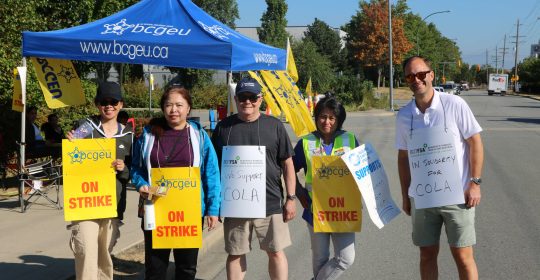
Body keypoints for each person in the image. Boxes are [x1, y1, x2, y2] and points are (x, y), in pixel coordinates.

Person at [396, 56, 484, 280]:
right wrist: (406, 195)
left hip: (457, 196)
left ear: (431, 74)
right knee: (426, 254)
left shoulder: (455, 104)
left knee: (463, 255)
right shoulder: (405, 115)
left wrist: (475, 183)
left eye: (421, 74)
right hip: (423, 198)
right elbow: (403, 157)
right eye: (410, 76)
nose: (416, 79)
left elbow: (475, 142)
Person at [130, 84, 221, 280]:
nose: (174, 110)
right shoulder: (147, 135)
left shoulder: (199, 137)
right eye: (169, 105)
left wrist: (213, 209)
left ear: (188, 108)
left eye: (179, 105)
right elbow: (135, 168)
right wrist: (140, 184)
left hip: (189, 212)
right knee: (155, 269)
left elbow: (211, 174)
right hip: (155, 209)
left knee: (186, 269)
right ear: (163, 108)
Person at [211, 77, 297, 280]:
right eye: (242, 97)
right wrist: (214, 205)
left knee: (275, 251)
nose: (247, 102)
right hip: (235, 205)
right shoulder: (223, 128)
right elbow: (213, 169)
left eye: (252, 97)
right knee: (235, 253)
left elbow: (288, 164)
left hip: (270, 202)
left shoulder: (274, 126)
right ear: (236, 98)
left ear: (260, 99)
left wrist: (291, 198)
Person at [66, 81, 134, 280]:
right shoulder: (85, 128)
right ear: (97, 104)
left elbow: (134, 170)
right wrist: (72, 144)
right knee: (86, 251)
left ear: (121, 104)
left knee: (104, 254)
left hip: (112, 204)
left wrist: (124, 168)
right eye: (104, 102)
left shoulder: (128, 135)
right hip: (84, 203)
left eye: (114, 101)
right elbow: (71, 158)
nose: (109, 106)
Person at [292, 94, 359, 280]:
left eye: (332, 117)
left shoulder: (351, 140)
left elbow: (363, 171)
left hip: (343, 210)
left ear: (339, 119)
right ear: (316, 117)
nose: (326, 121)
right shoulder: (305, 143)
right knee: (320, 259)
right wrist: (298, 192)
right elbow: (289, 169)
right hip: (315, 211)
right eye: (322, 116)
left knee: (346, 258)